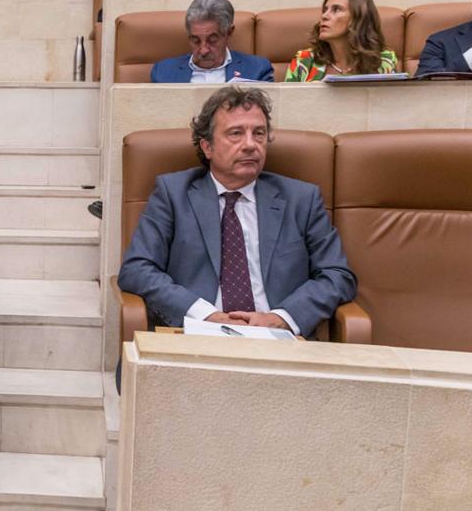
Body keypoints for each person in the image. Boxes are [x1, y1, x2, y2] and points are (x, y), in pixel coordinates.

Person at [118, 85, 356, 336]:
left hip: (277, 340)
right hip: (198, 335)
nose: (251, 145)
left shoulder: (301, 199)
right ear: (207, 147)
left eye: (259, 133)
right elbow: (137, 270)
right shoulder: (173, 193)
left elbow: (337, 275)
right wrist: (206, 315)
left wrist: (281, 318)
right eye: (235, 133)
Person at [151, 0, 274, 83]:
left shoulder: (257, 70)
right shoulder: (163, 72)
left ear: (229, 32)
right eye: (196, 41)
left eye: (212, 40)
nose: (203, 50)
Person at [285, 0, 397, 81]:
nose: (324, 16)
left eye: (336, 10)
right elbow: (287, 103)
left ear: (358, 18)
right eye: (325, 10)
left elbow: (390, 104)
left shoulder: (383, 61)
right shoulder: (304, 61)